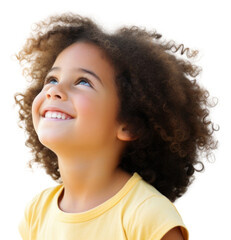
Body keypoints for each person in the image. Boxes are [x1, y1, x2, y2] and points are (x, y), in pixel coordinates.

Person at [15, 12, 218, 240]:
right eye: (52, 79)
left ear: (129, 125)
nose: (54, 90)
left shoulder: (147, 215)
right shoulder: (37, 213)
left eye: (83, 82)